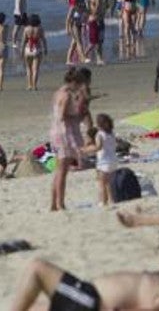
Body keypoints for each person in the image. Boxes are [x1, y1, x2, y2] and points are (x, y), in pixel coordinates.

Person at [9, 258, 159, 311]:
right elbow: (153, 273)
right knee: (35, 306)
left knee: (37, 268)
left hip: (92, 302)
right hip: (87, 297)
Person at [50, 67, 92, 211]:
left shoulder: (58, 93)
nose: (79, 87)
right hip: (64, 134)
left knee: (58, 171)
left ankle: (54, 204)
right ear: (74, 82)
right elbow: (62, 116)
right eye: (79, 84)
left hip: (56, 132)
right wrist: (78, 115)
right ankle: (60, 204)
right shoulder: (67, 95)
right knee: (62, 171)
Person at [90, 113, 117, 207]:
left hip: (104, 161)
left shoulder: (100, 134)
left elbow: (98, 147)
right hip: (113, 160)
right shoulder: (111, 133)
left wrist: (85, 150)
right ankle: (112, 200)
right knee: (109, 183)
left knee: (102, 183)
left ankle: (103, 201)